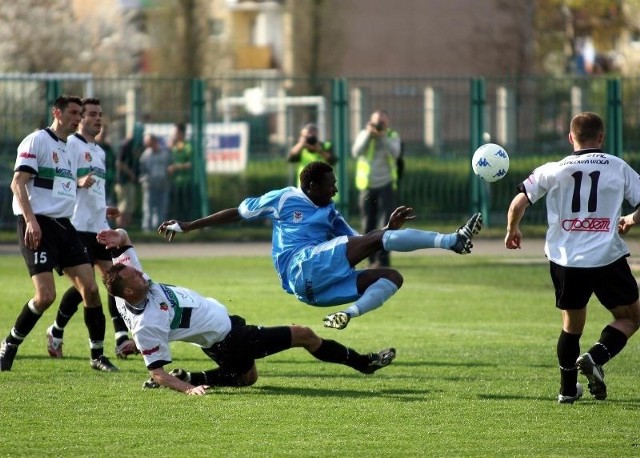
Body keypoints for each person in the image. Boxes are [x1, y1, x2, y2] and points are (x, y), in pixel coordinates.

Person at [158, 161, 482, 330]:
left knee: (391, 277)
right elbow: (237, 213)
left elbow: (361, 244)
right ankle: (452, 241)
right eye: (331, 184)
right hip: (301, 267)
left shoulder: (332, 213)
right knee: (377, 242)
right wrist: (189, 225)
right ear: (312, 186)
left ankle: (347, 314)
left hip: (314, 293)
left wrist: (386, 230)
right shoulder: (284, 198)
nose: (336, 189)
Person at [97, 228, 396, 395]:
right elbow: (157, 373)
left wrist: (117, 235)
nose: (142, 275)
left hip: (221, 336)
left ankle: (197, 374)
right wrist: (187, 390)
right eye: (136, 277)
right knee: (304, 334)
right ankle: (363, 363)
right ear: (128, 292)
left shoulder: (132, 286)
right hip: (231, 337)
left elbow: (123, 241)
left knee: (247, 377)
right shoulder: (146, 322)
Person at [505, 112, 640, 403]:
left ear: (571, 138)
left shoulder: (553, 169)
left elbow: (519, 201)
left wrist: (512, 229)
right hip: (607, 257)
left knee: (571, 326)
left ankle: (567, 391)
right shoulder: (617, 166)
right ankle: (595, 357)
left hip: (566, 259)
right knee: (631, 317)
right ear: (601, 137)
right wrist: (629, 219)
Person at [0, 95, 118, 372]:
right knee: (45, 296)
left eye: (80, 113)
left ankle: (97, 356)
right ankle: (10, 343)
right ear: (57, 112)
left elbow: (65, 188)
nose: (78, 118)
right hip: (37, 224)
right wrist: (31, 221)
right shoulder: (37, 141)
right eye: (74, 112)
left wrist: (101, 207)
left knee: (90, 288)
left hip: (64, 225)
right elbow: (18, 184)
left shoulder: (67, 149)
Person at [46, 97, 137, 361]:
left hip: (99, 226)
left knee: (113, 280)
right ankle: (56, 330)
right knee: (85, 288)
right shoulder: (70, 145)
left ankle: (120, 338)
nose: (98, 119)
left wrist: (104, 207)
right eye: (92, 114)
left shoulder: (99, 151)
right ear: (80, 119)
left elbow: (93, 190)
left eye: (100, 114)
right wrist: (77, 181)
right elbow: (59, 178)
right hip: (76, 227)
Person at [352, 110, 401, 268]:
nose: (379, 125)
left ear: (387, 123)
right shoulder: (364, 134)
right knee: (368, 225)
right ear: (370, 122)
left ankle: (383, 260)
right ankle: (371, 260)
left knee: (386, 224)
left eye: (382, 122)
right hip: (367, 186)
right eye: (376, 122)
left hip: (385, 185)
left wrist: (383, 136)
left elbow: (395, 153)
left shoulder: (392, 136)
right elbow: (356, 151)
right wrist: (368, 134)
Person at [138, 133, 173, 232]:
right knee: (148, 208)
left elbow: (171, 165)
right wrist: (145, 179)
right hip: (150, 185)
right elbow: (141, 171)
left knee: (162, 208)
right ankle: (147, 229)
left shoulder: (165, 154)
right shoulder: (145, 155)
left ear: (154, 142)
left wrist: (170, 170)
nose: (147, 145)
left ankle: (159, 228)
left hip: (163, 185)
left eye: (148, 143)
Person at [114, 124, 143, 229]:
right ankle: (119, 229)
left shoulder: (138, 145)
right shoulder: (126, 145)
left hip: (132, 181)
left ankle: (125, 229)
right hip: (123, 181)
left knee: (130, 208)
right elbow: (119, 163)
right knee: (123, 207)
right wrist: (130, 173)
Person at [167, 123, 193, 221]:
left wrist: (176, 167)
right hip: (174, 181)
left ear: (181, 133)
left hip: (185, 181)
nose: (174, 134)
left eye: (176, 132)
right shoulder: (174, 146)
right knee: (175, 207)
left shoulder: (188, 146)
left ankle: (186, 225)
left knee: (185, 207)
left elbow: (190, 164)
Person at [95, 121, 117, 207]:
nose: (103, 135)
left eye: (105, 133)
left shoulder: (109, 148)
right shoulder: (93, 146)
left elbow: (113, 162)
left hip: (108, 181)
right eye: (102, 132)